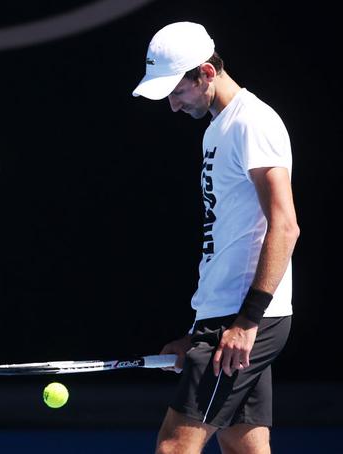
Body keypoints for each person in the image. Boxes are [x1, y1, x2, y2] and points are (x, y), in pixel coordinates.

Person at [132, 22, 299, 453]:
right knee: (246, 447)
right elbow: (223, 239)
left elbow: (284, 225)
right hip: (225, 316)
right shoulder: (216, 129)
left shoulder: (253, 123)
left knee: (174, 447)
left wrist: (247, 322)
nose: (172, 106)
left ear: (206, 73)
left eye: (177, 92)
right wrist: (198, 330)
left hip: (246, 318)